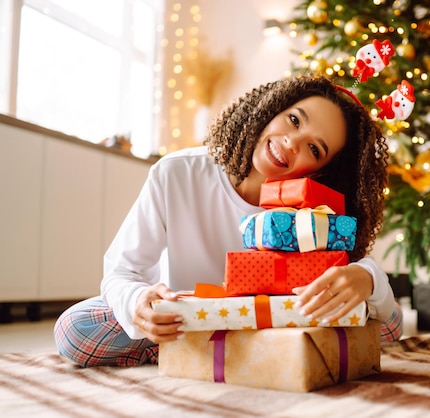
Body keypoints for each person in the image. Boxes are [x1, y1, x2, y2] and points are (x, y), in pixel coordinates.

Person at [54, 74, 403, 367]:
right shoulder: (177, 173)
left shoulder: (317, 212)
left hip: (276, 319)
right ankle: (245, 356)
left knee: (384, 323)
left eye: (315, 149)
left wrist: (365, 277)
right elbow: (120, 272)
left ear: (323, 170)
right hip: (187, 317)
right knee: (74, 328)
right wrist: (138, 306)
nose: (292, 142)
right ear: (271, 108)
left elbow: (390, 325)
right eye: (294, 120)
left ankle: (208, 356)